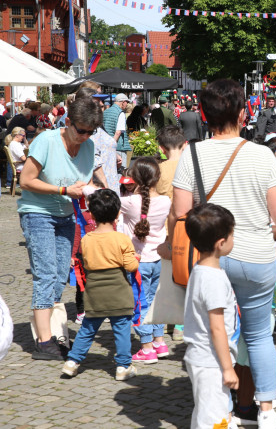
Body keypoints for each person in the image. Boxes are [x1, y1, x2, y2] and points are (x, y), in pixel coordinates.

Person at [170, 79, 276, 428]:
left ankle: (219, 408)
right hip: (254, 255)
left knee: (211, 333)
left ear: (203, 113)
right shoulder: (261, 154)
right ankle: (266, 411)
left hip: (208, 257)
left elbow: (180, 213)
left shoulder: (191, 154)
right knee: (258, 335)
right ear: (243, 112)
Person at [17, 95, 99, 360]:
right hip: (37, 213)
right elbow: (25, 180)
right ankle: (44, 343)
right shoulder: (47, 141)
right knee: (46, 274)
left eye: (91, 131)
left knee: (62, 272)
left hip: (66, 215)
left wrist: (96, 192)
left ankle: (51, 329)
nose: (85, 136)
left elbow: (82, 182)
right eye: (81, 130)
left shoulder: (88, 147)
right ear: (69, 122)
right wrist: (63, 189)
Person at [61, 189, 139, 381]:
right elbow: (130, 266)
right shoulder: (122, 239)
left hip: (94, 291)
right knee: (121, 329)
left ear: (92, 215)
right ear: (118, 214)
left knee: (87, 328)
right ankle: (123, 366)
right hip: (119, 292)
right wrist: (135, 258)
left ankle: (72, 362)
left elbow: (87, 264)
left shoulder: (87, 240)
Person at [183, 203, 240, 429]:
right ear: (221, 243)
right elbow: (217, 328)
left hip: (203, 358)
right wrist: (227, 368)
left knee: (206, 414)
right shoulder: (213, 280)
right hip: (211, 362)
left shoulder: (200, 270)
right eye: (232, 234)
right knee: (215, 420)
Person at [120, 157, 171, 364]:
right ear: (158, 177)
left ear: (134, 178)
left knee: (138, 303)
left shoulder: (129, 202)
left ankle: (146, 347)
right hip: (158, 259)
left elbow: (99, 197)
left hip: (138, 261)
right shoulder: (166, 201)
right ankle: (159, 342)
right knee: (153, 301)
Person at [156, 125, 187, 201]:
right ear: (185, 145)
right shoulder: (192, 167)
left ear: (161, 149)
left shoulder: (157, 169)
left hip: (164, 210)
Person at [102, 94, 131, 165]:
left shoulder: (105, 112)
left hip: (105, 145)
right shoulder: (120, 113)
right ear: (123, 102)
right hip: (117, 147)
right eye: (127, 102)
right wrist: (111, 147)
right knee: (120, 172)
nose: (127, 104)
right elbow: (118, 132)